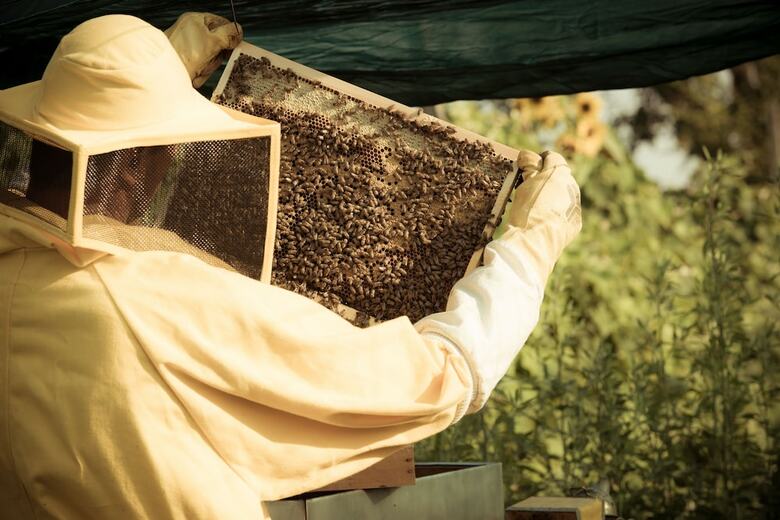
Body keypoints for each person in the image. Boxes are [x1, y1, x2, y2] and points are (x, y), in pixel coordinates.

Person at [0, 12, 581, 520]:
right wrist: (531, 246)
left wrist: (151, 72)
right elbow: (437, 375)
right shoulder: (162, 300)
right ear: (137, 169)